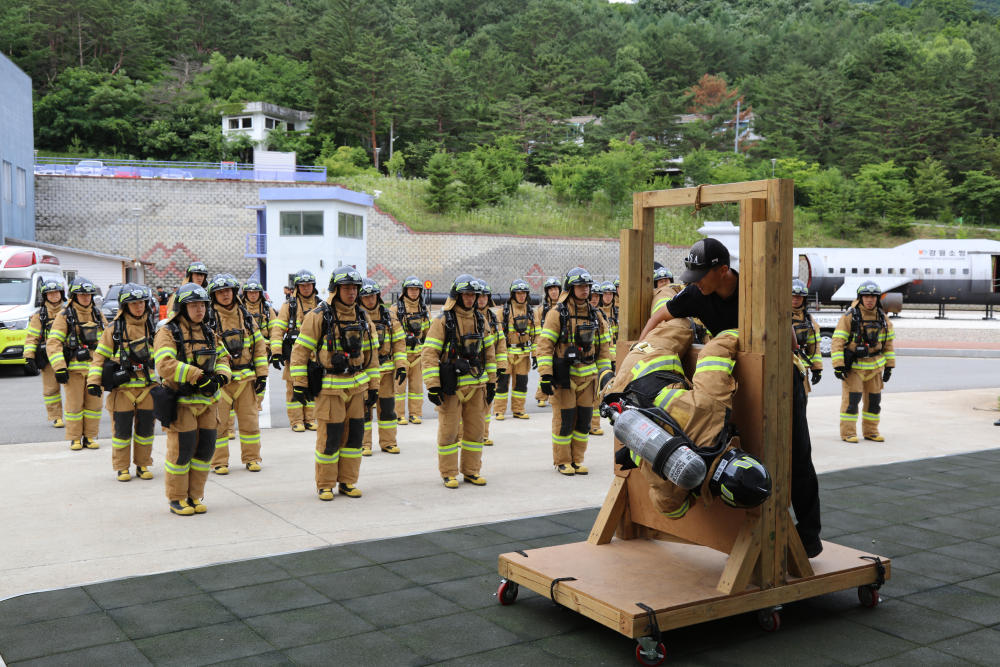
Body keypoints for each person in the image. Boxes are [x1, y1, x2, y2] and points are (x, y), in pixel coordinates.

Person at [637, 238, 823, 557]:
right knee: (746, 452)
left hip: (779, 379)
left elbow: (790, 340)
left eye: (700, 276)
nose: (695, 283)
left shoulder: (756, 291)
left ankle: (808, 539)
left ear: (723, 270)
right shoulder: (696, 294)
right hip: (738, 381)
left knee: (796, 455)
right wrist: (637, 352)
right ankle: (764, 532)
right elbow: (659, 318)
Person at [290, 267, 378, 501]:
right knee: (330, 437)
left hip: (357, 388)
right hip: (330, 389)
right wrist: (299, 384)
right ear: (335, 289)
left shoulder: (363, 316)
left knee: (354, 438)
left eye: (354, 288)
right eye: (346, 288)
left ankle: (347, 482)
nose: (351, 292)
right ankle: (326, 484)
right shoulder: (319, 315)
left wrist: (374, 386)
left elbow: (372, 357)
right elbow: (300, 351)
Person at [153, 283, 232, 515]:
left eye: (203, 305)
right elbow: (165, 364)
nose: (200, 310)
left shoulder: (209, 332)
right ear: (181, 307)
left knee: (205, 451)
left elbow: (224, 358)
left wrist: (221, 378)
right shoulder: (167, 332)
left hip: (208, 403)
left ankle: (195, 496)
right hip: (182, 404)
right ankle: (177, 499)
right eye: (194, 305)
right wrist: (198, 376)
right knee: (181, 452)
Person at [536, 268, 613, 476]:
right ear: (570, 288)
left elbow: (603, 350)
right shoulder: (556, 314)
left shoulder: (596, 315)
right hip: (565, 379)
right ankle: (563, 461)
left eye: (587, 286)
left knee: (584, 422)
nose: (585, 290)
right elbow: (544, 346)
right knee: (564, 422)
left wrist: (606, 376)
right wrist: (546, 375)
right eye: (580, 286)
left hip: (589, 380)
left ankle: (577, 460)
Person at [422, 275, 496, 488]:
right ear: (457, 296)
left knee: (476, 432)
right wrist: (433, 386)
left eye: (474, 295)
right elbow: (429, 354)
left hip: (477, 387)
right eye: (466, 294)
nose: (471, 298)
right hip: (451, 389)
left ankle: (472, 471)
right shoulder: (443, 321)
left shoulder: (481, 320)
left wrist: (492, 382)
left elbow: (489, 354)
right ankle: (449, 473)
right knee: (449, 433)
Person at [87, 284, 157, 482]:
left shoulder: (154, 329)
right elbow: (99, 358)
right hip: (122, 391)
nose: (139, 306)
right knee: (121, 432)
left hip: (148, 389)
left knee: (146, 431)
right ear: (124, 305)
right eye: (134, 303)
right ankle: (122, 467)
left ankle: (143, 465)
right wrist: (94, 382)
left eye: (141, 302)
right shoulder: (113, 330)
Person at [208, 274, 268, 474]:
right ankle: (219, 462)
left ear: (234, 292)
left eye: (228, 291)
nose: (225, 295)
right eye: (220, 292)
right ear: (213, 295)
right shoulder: (208, 319)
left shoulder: (246, 317)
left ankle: (252, 458)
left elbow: (259, 347)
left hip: (246, 380)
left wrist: (262, 375)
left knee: (250, 423)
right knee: (219, 425)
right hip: (221, 382)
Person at [46, 277, 108, 450]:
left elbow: (109, 341)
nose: (86, 298)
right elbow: (53, 343)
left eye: (89, 294)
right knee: (74, 406)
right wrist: (59, 368)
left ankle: (89, 436)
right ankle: (75, 438)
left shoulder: (98, 314)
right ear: (73, 296)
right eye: (82, 294)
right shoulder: (64, 316)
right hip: (73, 371)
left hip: (96, 370)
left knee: (94, 406)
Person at [831, 281, 895, 444]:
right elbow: (837, 342)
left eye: (873, 296)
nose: (870, 300)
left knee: (874, 402)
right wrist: (838, 365)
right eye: (866, 296)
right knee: (851, 402)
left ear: (878, 298)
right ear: (860, 298)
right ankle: (848, 433)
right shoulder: (849, 316)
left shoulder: (883, 318)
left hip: (875, 368)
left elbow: (888, 344)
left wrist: (889, 366)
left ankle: (871, 431)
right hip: (854, 368)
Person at [358, 278, 406, 455]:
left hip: (386, 372)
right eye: (366, 296)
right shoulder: (355, 316)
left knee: (387, 410)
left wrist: (401, 366)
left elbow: (399, 343)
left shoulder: (389, 316)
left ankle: (388, 442)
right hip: (364, 373)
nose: (370, 299)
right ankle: (364, 444)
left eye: (373, 295)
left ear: (378, 296)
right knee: (364, 410)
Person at [270, 270, 320, 432]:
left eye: (309, 285)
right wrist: (276, 352)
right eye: (302, 285)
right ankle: (296, 421)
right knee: (293, 387)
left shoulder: (320, 305)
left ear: (313, 286)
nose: (306, 288)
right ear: (297, 287)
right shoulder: (289, 306)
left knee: (313, 387)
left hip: (315, 356)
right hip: (294, 356)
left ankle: (310, 419)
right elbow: (277, 330)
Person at [25, 278, 67, 428]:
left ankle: (76, 414)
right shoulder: (39, 315)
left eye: (56, 292)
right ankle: (56, 417)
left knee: (75, 387)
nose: (54, 295)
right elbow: (32, 337)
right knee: (51, 389)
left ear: (61, 293)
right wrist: (29, 357)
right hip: (48, 357)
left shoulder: (70, 311)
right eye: (50, 293)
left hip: (70, 355)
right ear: (45, 296)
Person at [495, 279, 535, 421]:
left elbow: (536, 335)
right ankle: (499, 410)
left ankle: (518, 410)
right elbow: (497, 335)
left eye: (524, 293)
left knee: (521, 385)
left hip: (523, 356)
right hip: (506, 354)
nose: (521, 296)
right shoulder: (503, 311)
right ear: (513, 294)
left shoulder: (531, 312)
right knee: (501, 384)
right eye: (518, 293)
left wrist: (535, 355)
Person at [396, 276, 431, 425]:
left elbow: (429, 333)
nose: (414, 292)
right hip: (401, 355)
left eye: (417, 289)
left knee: (417, 388)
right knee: (399, 388)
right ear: (405, 290)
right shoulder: (396, 309)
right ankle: (399, 414)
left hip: (417, 355)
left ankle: (415, 414)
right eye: (411, 289)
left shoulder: (424, 309)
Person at [240, 279, 277, 411]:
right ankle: (247, 404)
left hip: (263, 352)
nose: (253, 295)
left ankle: (257, 404)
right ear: (245, 293)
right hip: (244, 351)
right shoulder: (239, 309)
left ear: (260, 293)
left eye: (256, 292)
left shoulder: (268, 310)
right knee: (246, 379)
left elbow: (274, 331)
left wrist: (275, 351)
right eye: (250, 292)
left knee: (261, 377)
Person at [477, 282, 506, 445]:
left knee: (487, 401)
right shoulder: (466, 315)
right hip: (469, 367)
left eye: (485, 296)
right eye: (479, 296)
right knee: (466, 405)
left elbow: (500, 344)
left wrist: (501, 366)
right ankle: (460, 435)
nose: (482, 299)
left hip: (488, 367)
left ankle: (483, 434)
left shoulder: (494, 318)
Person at [533, 277, 562, 408]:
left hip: (560, 344)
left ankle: (554, 398)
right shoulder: (542, 309)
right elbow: (537, 329)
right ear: (547, 292)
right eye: (550, 289)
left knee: (559, 371)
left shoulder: (564, 306)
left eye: (555, 289)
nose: (553, 292)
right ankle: (541, 397)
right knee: (545, 371)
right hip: (547, 344)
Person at [792, 279, 823, 394]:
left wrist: (817, 369)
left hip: (802, 369)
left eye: (799, 296)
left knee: (801, 402)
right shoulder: (778, 315)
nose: (795, 299)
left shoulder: (808, 318)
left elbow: (813, 346)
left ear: (804, 299)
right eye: (793, 296)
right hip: (782, 367)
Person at [588, 283, 609, 436]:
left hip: (595, 363)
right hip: (580, 364)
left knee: (596, 395)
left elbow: (605, 344)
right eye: (592, 296)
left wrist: (605, 369)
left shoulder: (600, 316)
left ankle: (594, 424)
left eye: (597, 296)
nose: (594, 299)